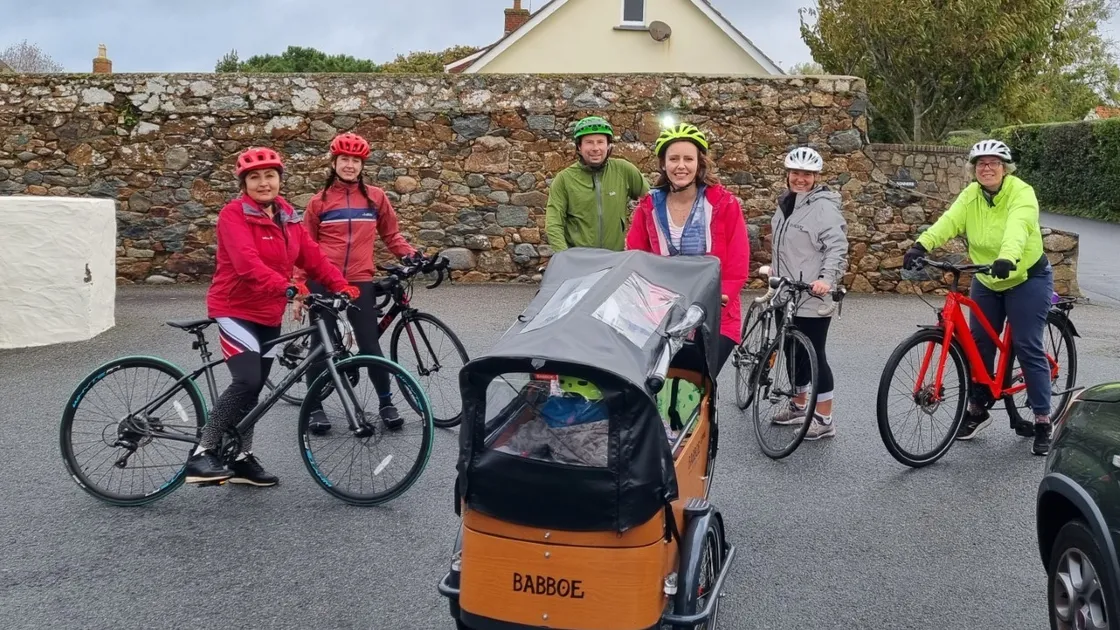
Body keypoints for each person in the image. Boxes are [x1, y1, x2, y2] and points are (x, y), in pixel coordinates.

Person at [188, 147, 358, 487]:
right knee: (247, 381)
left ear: (280, 179)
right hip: (234, 309)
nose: (263, 183)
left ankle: (239, 457)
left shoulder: (288, 218)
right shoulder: (233, 215)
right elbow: (247, 265)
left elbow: (314, 258)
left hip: (268, 311)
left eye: (269, 176)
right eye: (254, 177)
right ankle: (202, 451)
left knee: (254, 394)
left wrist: (343, 287)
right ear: (244, 184)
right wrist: (289, 289)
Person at [903, 139, 1054, 455]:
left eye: (994, 163)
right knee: (979, 342)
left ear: (1005, 168)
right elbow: (949, 221)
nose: (987, 168)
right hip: (988, 277)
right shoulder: (971, 195)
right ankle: (978, 406)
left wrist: (1008, 256)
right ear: (974, 170)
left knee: (1027, 344)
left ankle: (1042, 418)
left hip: (1026, 275)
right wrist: (922, 244)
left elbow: (1018, 227)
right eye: (981, 164)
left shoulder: (1021, 193)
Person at [293, 132, 421, 435]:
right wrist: (300, 287)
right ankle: (315, 407)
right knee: (320, 346)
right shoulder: (319, 202)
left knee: (370, 345)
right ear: (334, 162)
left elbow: (392, 236)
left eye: (355, 160)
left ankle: (386, 403)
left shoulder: (375, 197)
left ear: (361, 164)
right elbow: (303, 248)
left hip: (360, 280)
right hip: (322, 280)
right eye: (344, 159)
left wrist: (413, 255)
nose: (349, 165)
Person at [625, 121, 750, 374]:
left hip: (713, 310)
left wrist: (722, 294)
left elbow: (737, 260)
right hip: (662, 311)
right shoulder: (649, 206)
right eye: (673, 159)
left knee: (697, 381)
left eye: (688, 159)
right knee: (650, 379)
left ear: (699, 163)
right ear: (663, 164)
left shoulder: (723, 204)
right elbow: (634, 255)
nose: (680, 166)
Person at [766, 147, 849, 441]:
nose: (800, 179)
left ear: (816, 177)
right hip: (785, 292)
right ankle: (800, 405)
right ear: (788, 174)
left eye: (807, 174)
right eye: (795, 173)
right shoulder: (786, 203)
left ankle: (824, 418)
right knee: (792, 351)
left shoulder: (824, 208)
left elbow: (836, 248)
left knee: (815, 354)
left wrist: (827, 279)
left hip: (813, 294)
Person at [545, 116, 650, 253]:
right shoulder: (564, 179)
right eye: (589, 142)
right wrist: (564, 257)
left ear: (608, 145)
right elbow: (554, 224)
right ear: (579, 147)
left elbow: (652, 204)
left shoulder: (624, 170)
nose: (595, 148)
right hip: (578, 260)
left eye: (600, 142)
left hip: (614, 258)